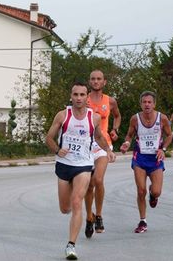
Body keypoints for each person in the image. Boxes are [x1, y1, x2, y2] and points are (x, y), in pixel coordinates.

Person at [46, 82, 116, 260]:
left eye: (82, 95)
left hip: (84, 164)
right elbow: (49, 138)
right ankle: (71, 214)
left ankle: (71, 246)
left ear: (87, 98)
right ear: (71, 96)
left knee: (77, 202)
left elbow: (99, 137)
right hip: (64, 164)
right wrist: (56, 149)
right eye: (75, 95)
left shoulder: (94, 118)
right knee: (65, 208)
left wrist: (108, 150)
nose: (78, 98)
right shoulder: (63, 116)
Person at [119, 91, 172, 233]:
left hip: (155, 159)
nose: (147, 104)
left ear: (154, 104)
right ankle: (143, 221)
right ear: (141, 104)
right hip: (140, 158)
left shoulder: (162, 118)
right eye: (144, 102)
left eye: (149, 102)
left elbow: (170, 135)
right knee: (140, 190)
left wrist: (163, 149)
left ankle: (152, 194)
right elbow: (129, 135)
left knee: (156, 191)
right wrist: (126, 143)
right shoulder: (135, 119)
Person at [84, 70, 121, 238]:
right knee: (87, 185)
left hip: (103, 144)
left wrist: (115, 129)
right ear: (89, 81)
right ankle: (89, 217)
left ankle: (98, 215)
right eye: (93, 79)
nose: (96, 81)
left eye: (99, 79)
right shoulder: (83, 99)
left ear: (104, 82)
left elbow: (117, 116)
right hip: (85, 146)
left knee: (97, 179)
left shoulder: (110, 101)